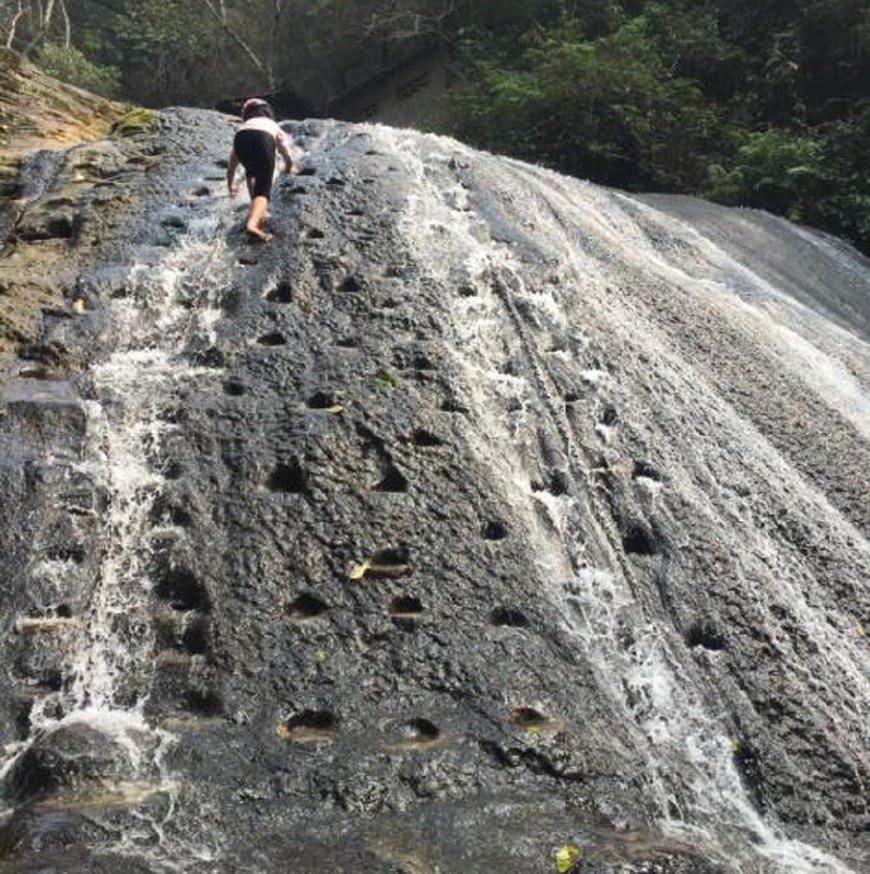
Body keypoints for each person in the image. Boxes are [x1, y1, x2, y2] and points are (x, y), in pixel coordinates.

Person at [227, 98, 296, 242]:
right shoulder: (272, 124)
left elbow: (233, 161)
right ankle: (252, 225)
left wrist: (231, 185)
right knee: (263, 191)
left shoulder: (246, 124)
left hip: (240, 138)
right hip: (262, 139)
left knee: (251, 171)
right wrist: (289, 166)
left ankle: (255, 209)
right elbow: (285, 151)